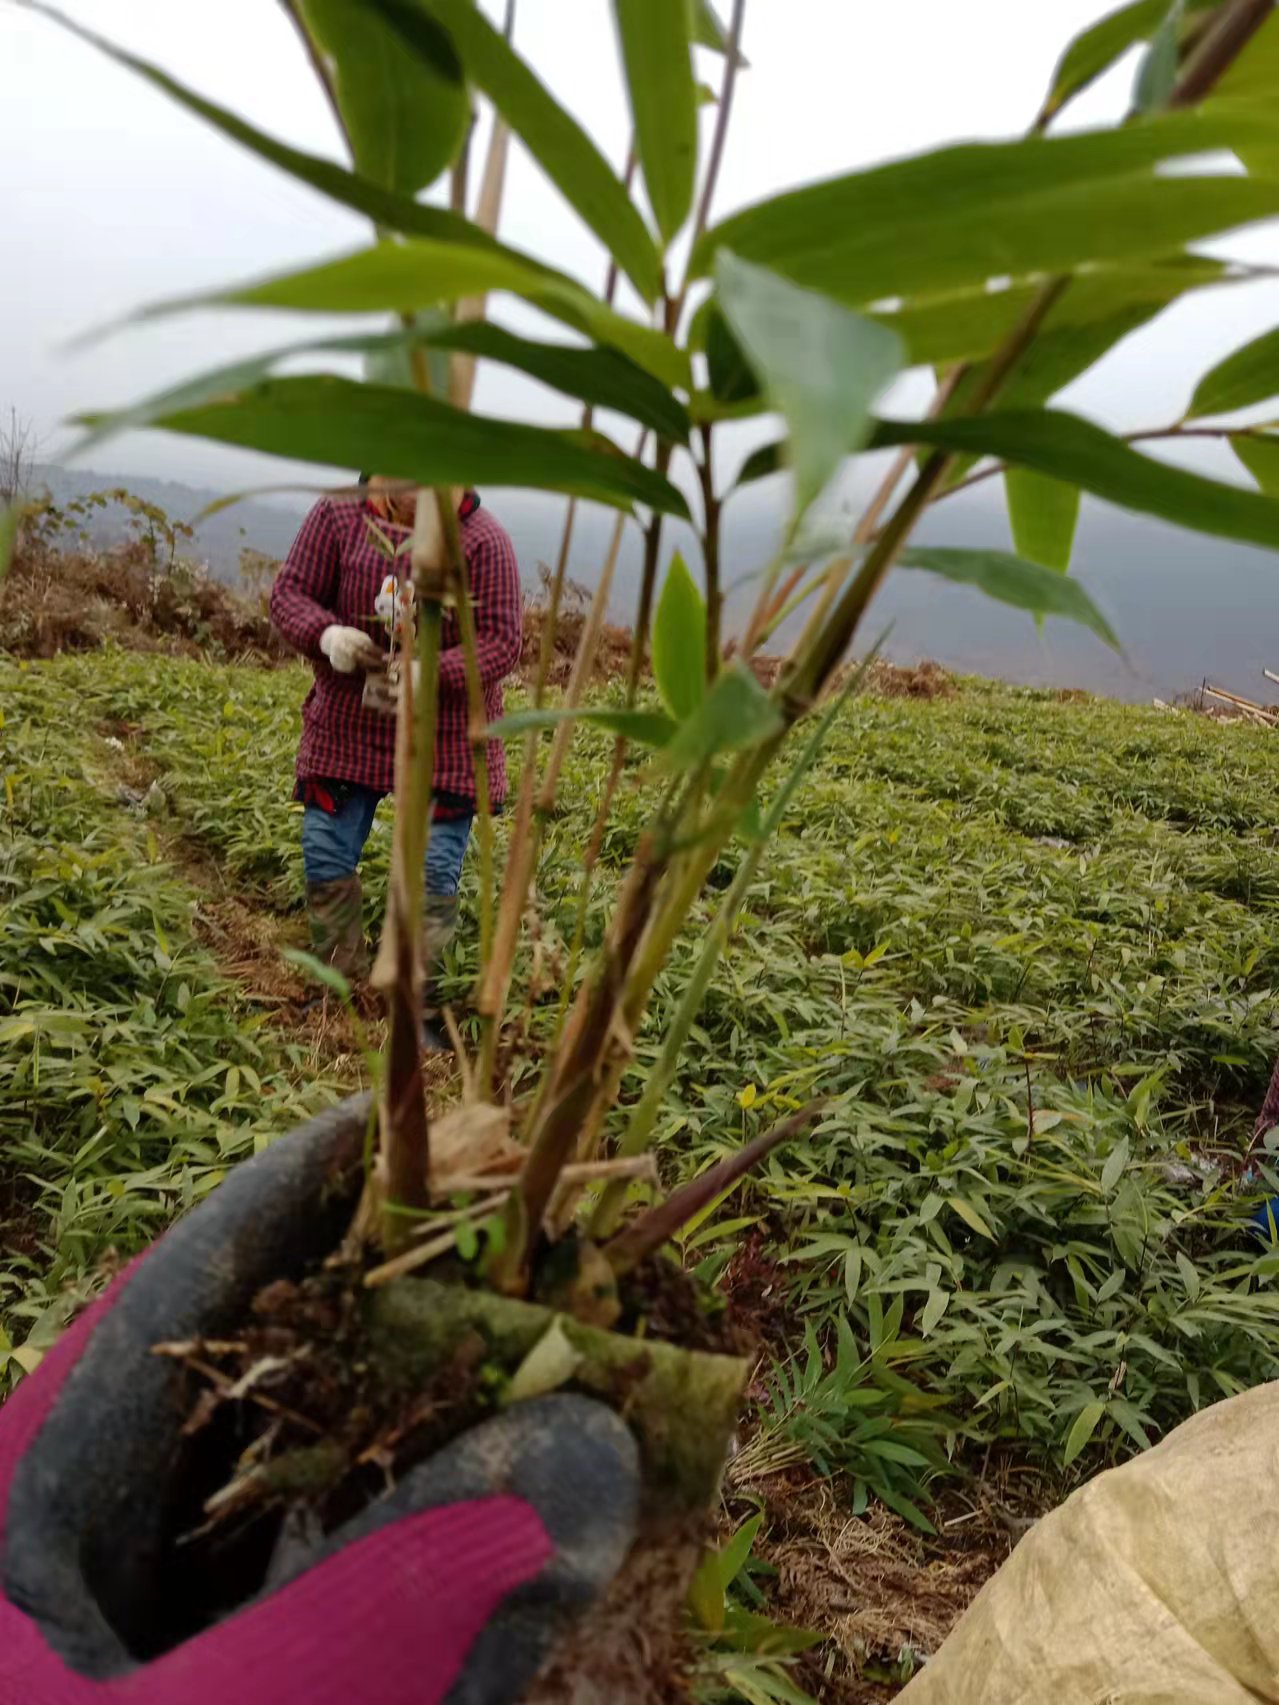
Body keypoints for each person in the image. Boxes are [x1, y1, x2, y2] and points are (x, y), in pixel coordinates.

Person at [269, 479, 521, 1047]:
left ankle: (414, 1001)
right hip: (349, 721)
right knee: (327, 846)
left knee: (432, 870)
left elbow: (503, 640)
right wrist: (326, 634)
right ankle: (339, 978)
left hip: (446, 734)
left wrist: (431, 670)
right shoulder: (337, 517)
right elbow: (290, 594)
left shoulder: (482, 541)